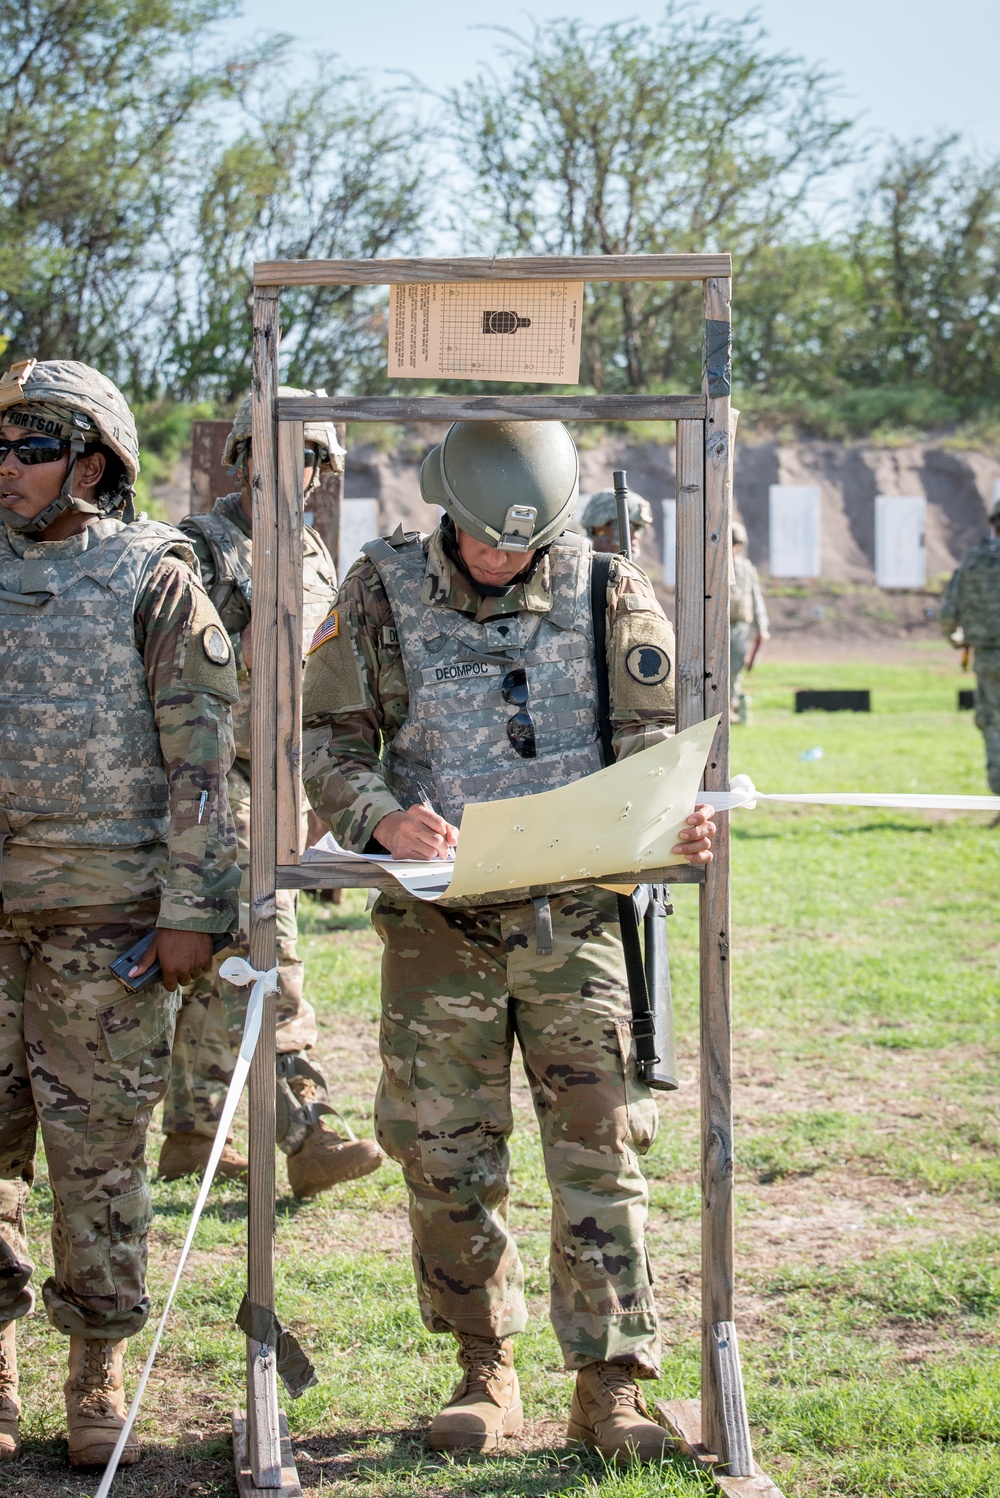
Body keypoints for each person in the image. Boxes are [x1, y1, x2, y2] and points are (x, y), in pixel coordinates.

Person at [301, 420, 715, 1460]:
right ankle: (484, 1365)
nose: (500, 557)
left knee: (599, 1144)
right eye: (484, 540)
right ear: (446, 509)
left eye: (520, 544)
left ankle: (611, 1385)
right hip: (438, 926)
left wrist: (673, 815)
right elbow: (327, 740)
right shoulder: (380, 587)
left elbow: (650, 748)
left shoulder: (607, 588)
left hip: (571, 918)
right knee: (443, 1156)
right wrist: (380, 815)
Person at [0, 358, 240, 1467]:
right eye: (0, 448)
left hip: (107, 923)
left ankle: (94, 1362)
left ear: (92, 464)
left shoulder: (154, 576)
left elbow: (204, 761)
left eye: (32, 449)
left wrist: (195, 906)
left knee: (95, 1153)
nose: (9, 467)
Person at [159, 391, 383, 1197]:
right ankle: (310, 1129)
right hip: (216, 779)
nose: (296, 473)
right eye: (279, 455)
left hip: (285, 775)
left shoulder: (319, 552)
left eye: (311, 460)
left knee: (224, 964)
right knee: (267, 948)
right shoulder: (200, 548)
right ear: (246, 459)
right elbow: (186, 673)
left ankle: (192, 1135)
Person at [940, 495, 1000, 815]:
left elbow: (948, 613)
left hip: (989, 658)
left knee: (993, 725)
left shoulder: (975, 561)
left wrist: (956, 640)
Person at [730, 520, 769, 724]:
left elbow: (756, 599)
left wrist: (762, 627)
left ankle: (731, 705)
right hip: (718, 628)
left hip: (740, 627)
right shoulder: (714, 566)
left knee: (736, 668)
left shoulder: (747, 569)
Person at [580, 488, 653, 561]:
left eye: (639, 529)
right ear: (599, 530)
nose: (636, 536)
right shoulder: (579, 568)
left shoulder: (626, 571)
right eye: (629, 528)